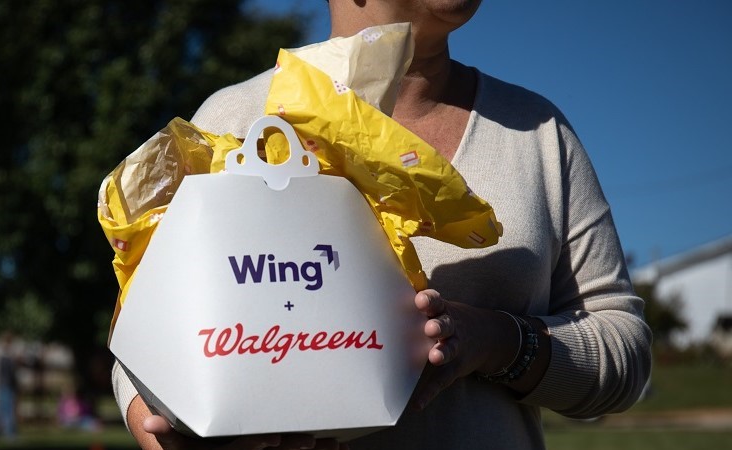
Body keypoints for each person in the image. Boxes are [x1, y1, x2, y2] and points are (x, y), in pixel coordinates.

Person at [112, 1, 652, 449]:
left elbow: (625, 351)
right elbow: (140, 325)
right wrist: (151, 419)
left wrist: (495, 341)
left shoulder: (536, 133)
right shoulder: (232, 121)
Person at [0, 333, 19, 439]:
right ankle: (10, 434)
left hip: (2, 386)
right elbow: (10, 373)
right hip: (5, 386)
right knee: (7, 412)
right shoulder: (6, 357)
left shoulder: (2, 355)